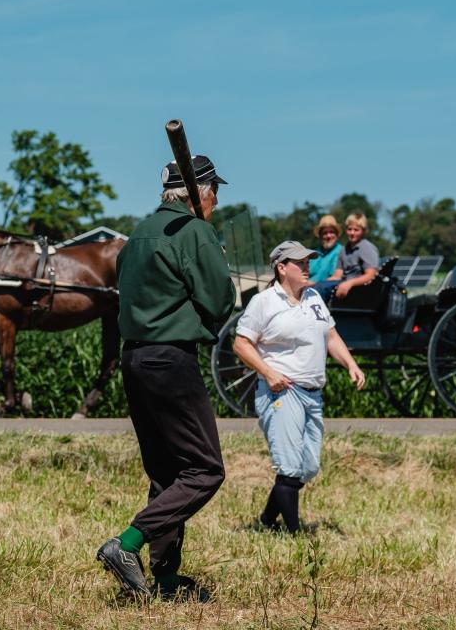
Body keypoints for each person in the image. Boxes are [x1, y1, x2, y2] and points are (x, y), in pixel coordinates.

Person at [96, 155, 236, 602]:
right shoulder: (196, 232)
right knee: (204, 470)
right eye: (216, 191)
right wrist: (215, 259)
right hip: (171, 361)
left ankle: (166, 579)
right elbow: (218, 302)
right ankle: (127, 544)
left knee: (166, 473)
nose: (216, 201)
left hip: (134, 361)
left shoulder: (136, 234)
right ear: (202, 192)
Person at [233, 240, 365, 534]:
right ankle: (295, 534)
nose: (307, 268)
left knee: (307, 467)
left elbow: (330, 335)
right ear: (282, 268)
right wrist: (268, 373)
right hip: (282, 391)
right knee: (290, 467)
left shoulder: (314, 297)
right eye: (300, 263)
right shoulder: (264, 302)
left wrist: (351, 365)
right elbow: (241, 344)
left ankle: (267, 521)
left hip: (312, 394)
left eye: (308, 262)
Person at [313, 212, 380, 302]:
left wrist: (349, 283)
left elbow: (371, 275)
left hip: (359, 288)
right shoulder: (344, 249)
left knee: (321, 287)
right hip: (343, 283)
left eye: (356, 230)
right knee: (319, 286)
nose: (352, 233)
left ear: (363, 231)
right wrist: (317, 284)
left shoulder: (366, 248)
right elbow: (337, 275)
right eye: (349, 229)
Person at [307, 214, 342, 285]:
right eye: (325, 233)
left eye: (331, 232)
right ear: (320, 236)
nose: (328, 236)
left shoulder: (342, 252)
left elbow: (337, 278)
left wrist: (313, 284)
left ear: (337, 235)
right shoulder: (314, 254)